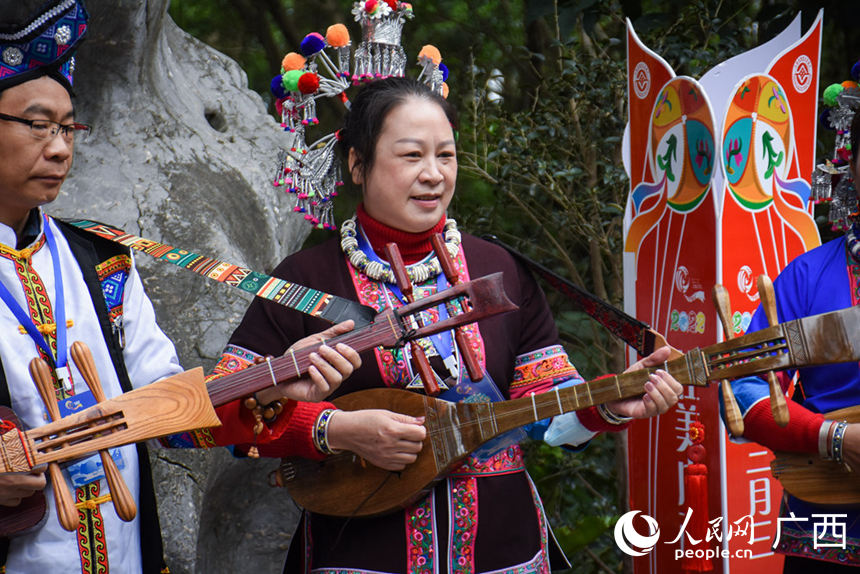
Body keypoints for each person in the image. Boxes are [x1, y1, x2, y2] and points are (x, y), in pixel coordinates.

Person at [212, 76, 684, 573]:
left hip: (504, 552)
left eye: (447, 155)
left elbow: (546, 412)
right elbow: (212, 418)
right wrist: (337, 429)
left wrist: (607, 404)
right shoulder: (302, 282)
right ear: (356, 163)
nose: (434, 174)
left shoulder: (500, 270)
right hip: (359, 553)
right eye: (412, 156)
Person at [0, 2, 359, 572]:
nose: (61, 147)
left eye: (69, 127)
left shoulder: (100, 259)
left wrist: (271, 385)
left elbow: (170, 410)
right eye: (39, 125)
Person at [721, 108, 860, 572]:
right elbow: (744, 391)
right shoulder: (806, 277)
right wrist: (833, 436)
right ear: (851, 167)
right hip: (829, 520)